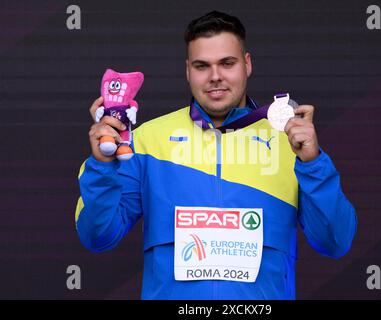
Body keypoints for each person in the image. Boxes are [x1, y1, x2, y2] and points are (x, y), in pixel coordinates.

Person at [75, 10, 357, 300]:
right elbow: (97, 235)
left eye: (227, 63)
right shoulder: (147, 140)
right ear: (188, 71)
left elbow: (335, 242)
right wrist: (102, 165)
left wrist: (313, 163)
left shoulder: (289, 142)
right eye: (202, 66)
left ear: (246, 64)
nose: (215, 77)